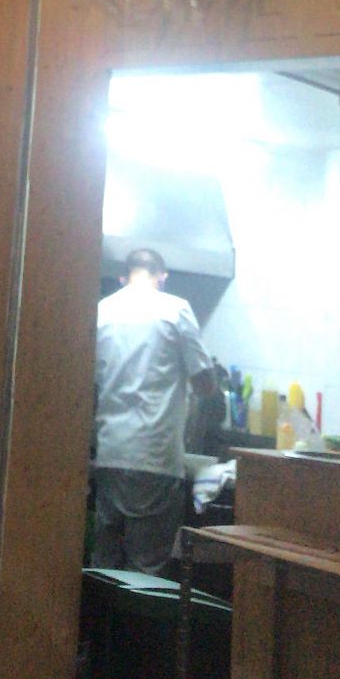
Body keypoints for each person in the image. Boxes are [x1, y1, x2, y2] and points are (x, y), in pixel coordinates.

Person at [92, 246, 214, 575]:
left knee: (104, 567)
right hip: (154, 456)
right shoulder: (175, 310)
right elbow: (205, 383)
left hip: (109, 454)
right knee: (145, 571)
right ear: (162, 277)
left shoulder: (102, 311)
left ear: (123, 278)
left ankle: (100, 611)